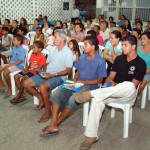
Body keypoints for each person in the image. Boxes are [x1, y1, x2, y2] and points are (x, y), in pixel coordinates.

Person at [75, 35, 146, 150]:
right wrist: (108, 83)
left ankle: (93, 93)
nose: (122, 47)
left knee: (129, 85)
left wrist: (116, 85)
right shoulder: (119, 59)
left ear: (133, 47)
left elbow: (135, 85)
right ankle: (91, 136)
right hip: (110, 93)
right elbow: (110, 77)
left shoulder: (141, 63)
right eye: (122, 45)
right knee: (98, 100)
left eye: (125, 45)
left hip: (127, 95)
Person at [40, 36, 107, 137]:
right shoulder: (83, 57)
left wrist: (83, 82)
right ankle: (53, 124)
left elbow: (99, 80)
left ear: (93, 47)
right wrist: (75, 80)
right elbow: (78, 72)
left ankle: (55, 124)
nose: (83, 46)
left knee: (73, 99)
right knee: (58, 92)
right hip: (78, 82)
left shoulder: (100, 61)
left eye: (85, 44)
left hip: (90, 86)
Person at [23, 29, 73, 122]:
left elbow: (68, 71)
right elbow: (47, 63)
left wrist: (53, 75)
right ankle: (42, 100)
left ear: (62, 39)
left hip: (59, 76)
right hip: (48, 74)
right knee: (26, 83)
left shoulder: (68, 52)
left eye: (55, 37)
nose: (53, 39)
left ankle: (48, 111)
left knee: (42, 87)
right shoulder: (53, 49)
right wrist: (44, 72)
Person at [0, 34, 26, 98]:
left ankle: (10, 88)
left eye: (14, 40)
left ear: (19, 41)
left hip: (18, 66)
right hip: (13, 64)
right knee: (1, 68)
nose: (13, 41)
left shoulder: (22, 50)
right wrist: (9, 63)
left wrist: (10, 65)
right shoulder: (14, 48)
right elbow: (13, 56)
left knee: (6, 72)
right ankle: (2, 85)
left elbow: (19, 61)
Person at [137, 31, 150, 96]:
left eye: (144, 39)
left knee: (141, 86)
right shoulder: (138, 49)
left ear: (149, 39)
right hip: (137, 70)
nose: (142, 40)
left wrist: (143, 72)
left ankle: (135, 98)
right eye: (141, 39)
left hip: (147, 72)